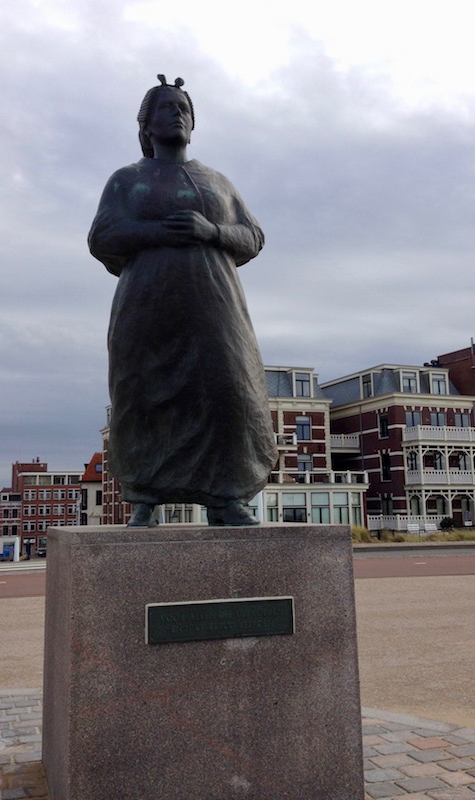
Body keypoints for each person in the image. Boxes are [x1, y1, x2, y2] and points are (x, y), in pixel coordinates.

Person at [88, 76, 277, 527]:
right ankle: (144, 499)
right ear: (146, 125)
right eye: (166, 107)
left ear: (193, 125)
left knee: (230, 390)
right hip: (146, 304)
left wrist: (211, 232)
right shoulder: (126, 180)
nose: (177, 114)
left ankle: (226, 498)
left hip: (215, 305)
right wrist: (159, 232)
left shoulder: (217, 182)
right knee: (141, 396)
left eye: (183, 109)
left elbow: (253, 237)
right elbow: (102, 236)